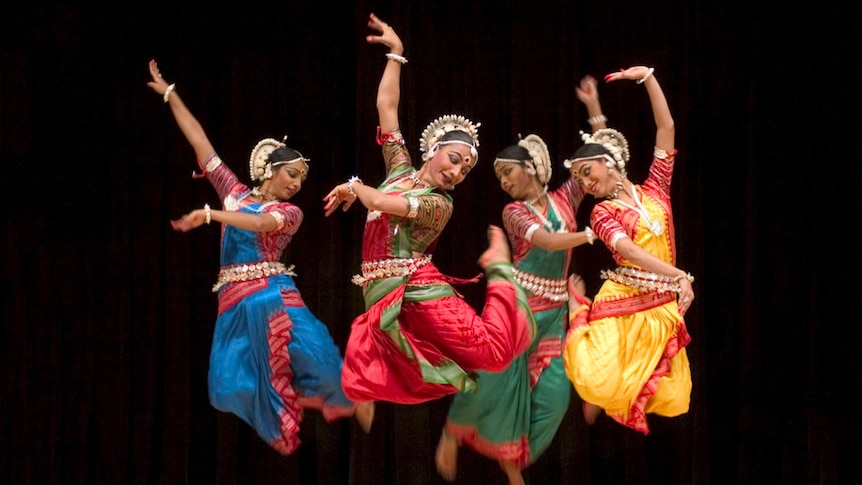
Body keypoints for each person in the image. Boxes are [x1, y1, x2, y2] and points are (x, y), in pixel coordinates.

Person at [146, 59, 373, 456]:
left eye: (302, 179)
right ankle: (309, 396)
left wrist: (211, 214)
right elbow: (201, 143)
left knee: (315, 357)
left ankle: (349, 394)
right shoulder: (234, 192)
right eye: (293, 175)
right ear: (270, 169)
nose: (298, 184)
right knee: (226, 385)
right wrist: (170, 95)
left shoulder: (290, 213)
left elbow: (262, 225)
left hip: (272, 293)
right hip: (233, 300)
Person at [323, 14, 535, 405]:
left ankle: (501, 270)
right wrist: (396, 55)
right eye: (453, 159)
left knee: (492, 354)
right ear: (433, 149)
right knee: (366, 373)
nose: (456, 171)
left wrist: (355, 186)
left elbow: (385, 203)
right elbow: (387, 108)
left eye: (465, 169)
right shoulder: (400, 168)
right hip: (388, 293)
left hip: (418, 290)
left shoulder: (439, 205)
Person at [433, 129, 597, 484]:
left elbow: (593, 162)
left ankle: (515, 458)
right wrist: (590, 234)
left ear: (531, 166)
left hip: (554, 316)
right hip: (519, 310)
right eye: (499, 177)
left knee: (555, 401)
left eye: (508, 171)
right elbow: (549, 242)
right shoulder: (514, 212)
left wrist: (595, 109)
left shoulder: (565, 197)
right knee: (494, 384)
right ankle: (452, 433)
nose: (504, 181)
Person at [561, 66, 694, 435]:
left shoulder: (656, 188)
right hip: (626, 299)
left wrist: (649, 77)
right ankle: (579, 314)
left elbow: (665, 128)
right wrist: (681, 276)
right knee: (597, 380)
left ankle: (608, 395)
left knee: (674, 395)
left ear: (609, 163)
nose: (586, 183)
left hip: (661, 304)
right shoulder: (602, 212)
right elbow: (630, 251)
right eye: (581, 179)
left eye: (588, 172)